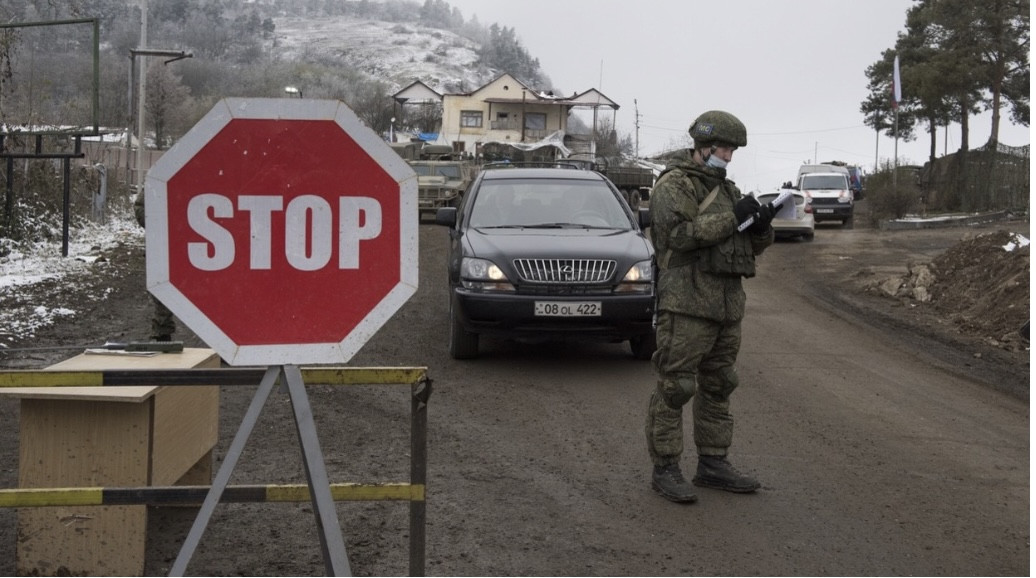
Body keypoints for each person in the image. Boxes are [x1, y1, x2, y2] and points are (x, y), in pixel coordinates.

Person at [645, 110, 778, 503]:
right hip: (686, 304)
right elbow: (678, 236)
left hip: (726, 306)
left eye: (733, 150)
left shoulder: (730, 190)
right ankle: (666, 468)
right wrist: (731, 219)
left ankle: (713, 463)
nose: (729, 157)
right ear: (703, 146)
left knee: (719, 384)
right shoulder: (674, 185)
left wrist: (761, 227)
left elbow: (747, 246)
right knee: (676, 385)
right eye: (724, 149)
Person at [134, 190, 176, 342]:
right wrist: (160, 224)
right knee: (161, 286)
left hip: (200, 245)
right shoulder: (158, 181)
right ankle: (162, 331)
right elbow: (140, 207)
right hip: (161, 243)